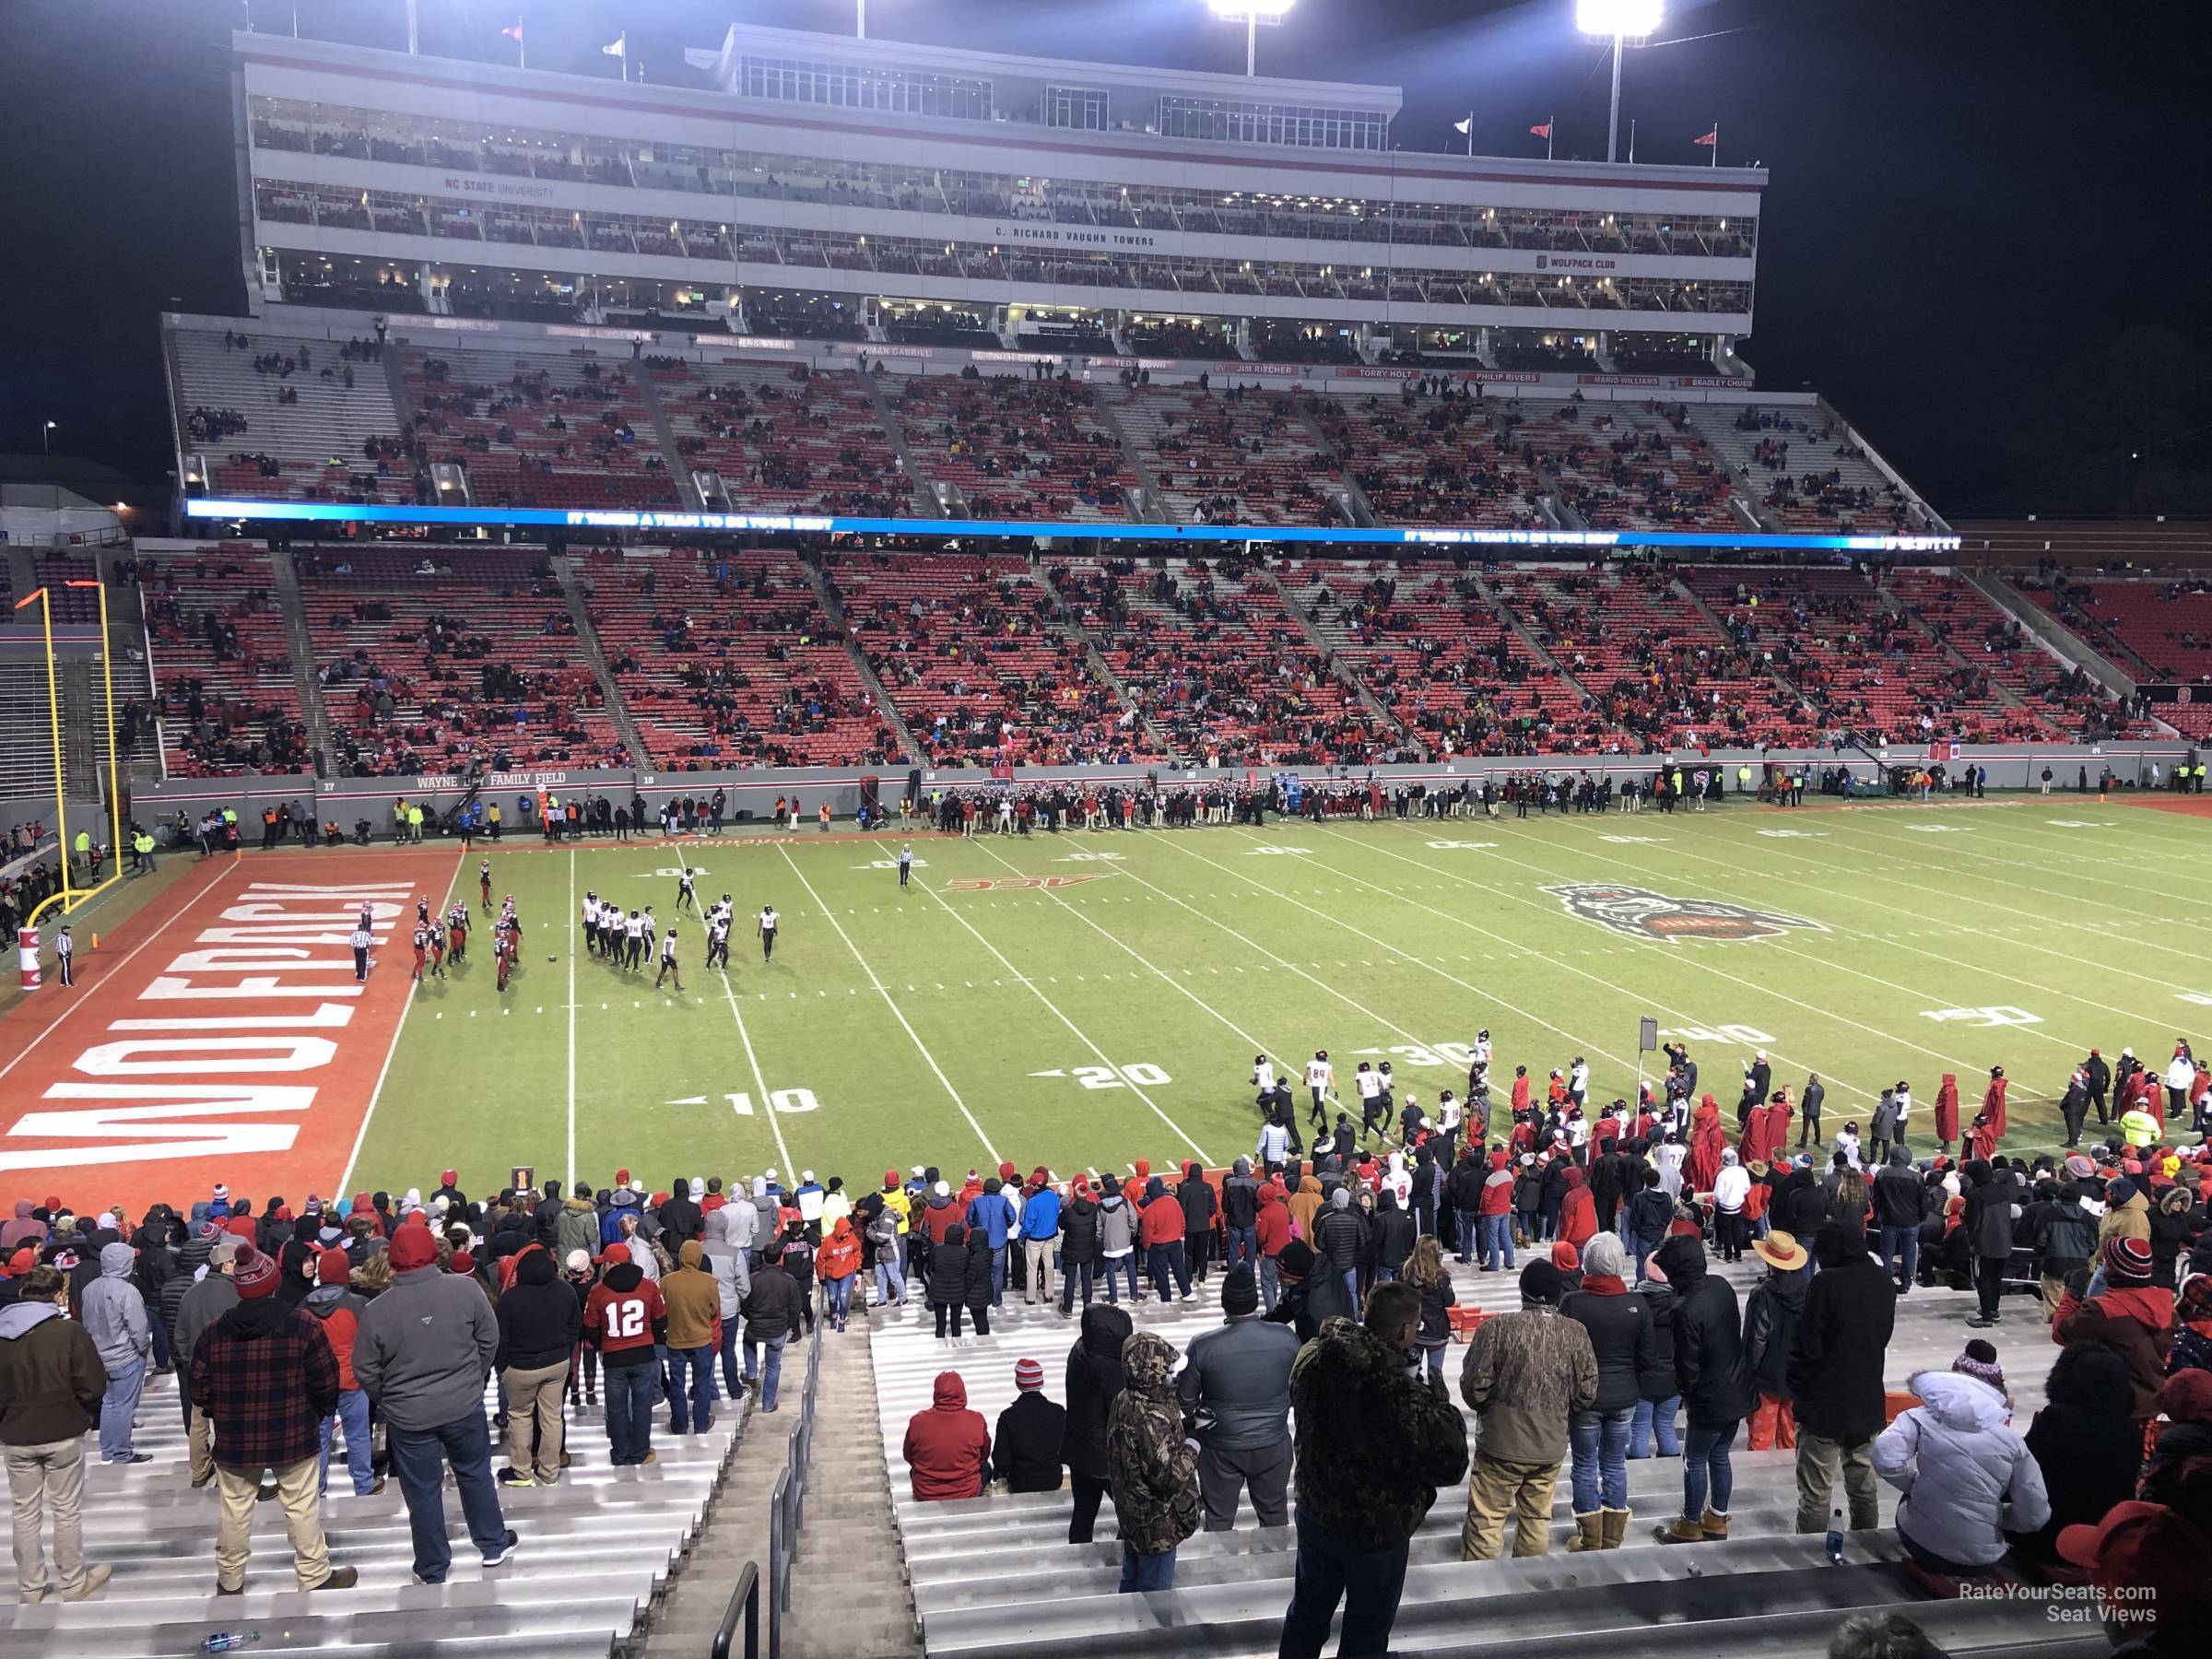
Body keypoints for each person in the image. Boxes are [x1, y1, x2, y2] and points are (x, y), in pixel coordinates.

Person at [1277, 1280, 1469, 1659]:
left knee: (1307, 1613)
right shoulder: (1399, 1393)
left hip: (1316, 1510)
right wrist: (1436, 1400)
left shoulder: (1314, 1356)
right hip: (1375, 1531)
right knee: (1366, 1632)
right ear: (1405, 1331)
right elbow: (1450, 1465)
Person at [190, 1247, 359, 1594]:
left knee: (234, 1511)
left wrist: (221, 1414)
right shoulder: (303, 1325)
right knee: (301, 1507)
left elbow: (199, 1390)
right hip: (293, 1433)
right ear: (273, 1284)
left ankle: (230, 1581)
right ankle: (313, 1576)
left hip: (236, 1440)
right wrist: (315, 1413)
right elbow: (326, 1381)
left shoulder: (214, 1333)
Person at [355, 1223, 514, 1582]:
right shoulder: (464, 1289)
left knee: (422, 1493)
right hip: (460, 1404)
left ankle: (432, 1566)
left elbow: (365, 1368)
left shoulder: (378, 1309)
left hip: (410, 1416)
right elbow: (489, 1338)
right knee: (475, 1475)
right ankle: (491, 1544)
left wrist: (393, 1400)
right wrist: (472, 1379)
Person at [1874, 1342, 2050, 1582]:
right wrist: (1996, 1516)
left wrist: (1914, 1485)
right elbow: (2035, 1514)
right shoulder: (2013, 1443)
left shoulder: (1919, 1419)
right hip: (1982, 1558)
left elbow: (1884, 1456)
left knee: (1915, 1495)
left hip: (1919, 1542)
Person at [1459, 1259, 1597, 1559]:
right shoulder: (1576, 1333)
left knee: (1487, 1520)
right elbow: (1587, 1391)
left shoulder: (1496, 1328)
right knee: (1537, 1520)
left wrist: (1491, 1410)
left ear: (1523, 1291)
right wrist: (1559, 1413)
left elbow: (1473, 1386)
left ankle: (1477, 1595)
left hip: (1500, 1443)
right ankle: (1529, 1591)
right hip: (1549, 1445)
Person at [0, 1265, 112, 1605]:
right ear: (57, 1295)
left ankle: (31, 1587)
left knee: (24, 1511)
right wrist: (76, 1410)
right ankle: (72, 1581)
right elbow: (93, 1385)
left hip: (15, 1433)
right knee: (65, 1510)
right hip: (62, 1430)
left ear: (22, 1293)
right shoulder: (70, 1332)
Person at [1788, 1221, 1895, 1534]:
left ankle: (1812, 1558)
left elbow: (1808, 1345)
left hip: (1825, 1402)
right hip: (1867, 1395)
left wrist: (1798, 1385)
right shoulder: (1883, 1280)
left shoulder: (1826, 1283)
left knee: (1816, 1490)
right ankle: (1867, 1546)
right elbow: (1882, 1336)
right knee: (1863, 1483)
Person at [1178, 1264, 1300, 1531]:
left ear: (1225, 1303)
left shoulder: (1202, 1346)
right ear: (1255, 1302)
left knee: (1218, 1519)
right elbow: (1300, 1386)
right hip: (1273, 1443)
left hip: (1220, 1447)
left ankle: (1217, 1571)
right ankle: (1277, 1562)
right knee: (1275, 1515)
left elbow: (1184, 1401)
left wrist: (1206, 1418)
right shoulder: (1286, 1338)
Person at [2006, 1343, 2142, 1571]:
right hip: (2101, 1540)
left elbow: (2022, 1476)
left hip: (2046, 1539)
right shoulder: (2131, 1430)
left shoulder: (2056, 1421)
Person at [1653, 1232, 1752, 1543]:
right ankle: (1717, 1518)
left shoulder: (1684, 1309)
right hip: (1737, 1387)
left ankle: (1690, 1523)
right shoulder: (1720, 1285)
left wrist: (1687, 1394)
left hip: (1710, 1396)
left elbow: (1687, 1364)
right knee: (1720, 1455)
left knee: (1694, 1458)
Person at [1557, 1234, 1652, 1550]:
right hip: (1625, 1396)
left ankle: (1589, 1537)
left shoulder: (1573, 1303)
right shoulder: (1638, 1303)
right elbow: (1646, 1356)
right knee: (1614, 1463)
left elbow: (1562, 1353)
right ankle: (1613, 1537)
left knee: (1584, 1463)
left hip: (1585, 1398)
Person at [1108, 1331, 1200, 1592]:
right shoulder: (1152, 1416)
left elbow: (1143, 1449)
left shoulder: (1124, 1399)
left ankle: (1126, 1625)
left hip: (1132, 1516)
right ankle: (1148, 1633)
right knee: (1154, 1593)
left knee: (1132, 1576)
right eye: (1168, 1369)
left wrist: (1183, 1426)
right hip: (1156, 1525)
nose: (1173, 1375)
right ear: (1152, 1373)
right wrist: (1195, 1442)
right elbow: (1169, 1478)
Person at [495, 1245, 580, 1488]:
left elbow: (501, 1337)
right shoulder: (565, 1291)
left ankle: (521, 1472)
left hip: (521, 1368)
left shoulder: (510, 1298)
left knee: (520, 1417)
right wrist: (565, 1352)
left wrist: (503, 1366)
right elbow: (575, 1326)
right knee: (552, 1418)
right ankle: (549, 1472)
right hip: (556, 1364)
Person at [1064, 1303, 1133, 1544]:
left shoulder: (1080, 1349)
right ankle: (1119, 1560)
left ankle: (1079, 1562)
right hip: (1106, 1458)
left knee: (1083, 1513)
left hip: (1079, 1450)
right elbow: (1125, 1411)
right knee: (1132, 1514)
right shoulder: (1109, 1368)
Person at [79, 1241, 152, 1465]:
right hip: (125, 1356)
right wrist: (143, 1350)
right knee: (123, 1406)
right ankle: (122, 1452)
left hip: (99, 1356)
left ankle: (108, 1451)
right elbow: (138, 1328)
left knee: (109, 1403)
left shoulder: (89, 1288)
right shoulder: (127, 1291)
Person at [661, 1239, 722, 1434]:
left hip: (675, 1340)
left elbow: (662, 1310)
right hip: (701, 1340)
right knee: (702, 1383)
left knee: (677, 1385)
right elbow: (714, 1310)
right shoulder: (709, 1281)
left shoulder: (667, 1282)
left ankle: (680, 1425)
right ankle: (701, 1424)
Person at [903, 1371, 991, 1501]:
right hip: (968, 1491)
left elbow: (908, 1456)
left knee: (914, 1470)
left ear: (936, 1392)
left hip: (926, 1493)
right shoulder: (976, 1420)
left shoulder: (917, 1421)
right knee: (987, 1468)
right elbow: (984, 1455)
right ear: (962, 1392)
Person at [739, 1242, 805, 1412]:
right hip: (777, 1330)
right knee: (773, 1366)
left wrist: (750, 1317)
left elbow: (745, 1302)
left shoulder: (753, 1278)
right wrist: (787, 1325)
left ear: (763, 1257)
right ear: (780, 1258)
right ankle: (768, 1405)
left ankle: (752, 1373)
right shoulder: (788, 1280)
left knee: (748, 1341)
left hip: (756, 1327)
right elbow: (796, 1307)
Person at [993, 1357, 1066, 1494]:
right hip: (1052, 1479)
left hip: (1021, 1483)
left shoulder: (1008, 1417)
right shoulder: (1058, 1412)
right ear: (1041, 1382)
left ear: (1018, 1383)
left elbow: (1002, 1460)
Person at [1962, 1159, 2018, 1328]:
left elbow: (1972, 1222)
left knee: (1984, 1278)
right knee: (1996, 1277)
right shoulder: (2002, 1190)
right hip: (2004, 1240)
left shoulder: (1975, 1195)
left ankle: (1986, 1317)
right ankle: (1993, 1310)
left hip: (1985, 1242)